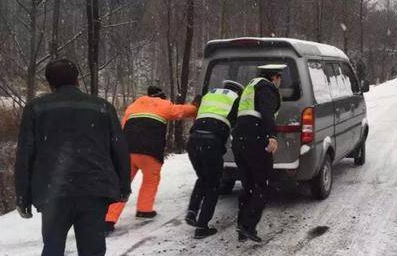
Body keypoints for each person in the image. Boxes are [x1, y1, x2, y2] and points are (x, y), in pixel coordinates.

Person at [14, 59, 131, 256]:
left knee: (52, 249)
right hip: (93, 192)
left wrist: (23, 196)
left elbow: (25, 153)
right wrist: (123, 186)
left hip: (53, 192)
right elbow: (119, 147)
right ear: (78, 79)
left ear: (49, 82)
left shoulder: (37, 109)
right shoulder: (101, 106)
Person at [104, 86, 197, 233]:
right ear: (161, 96)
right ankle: (144, 209)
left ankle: (108, 219)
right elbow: (181, 111)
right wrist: (196, 107)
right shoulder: (163, 104)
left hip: (128, 150)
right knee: (150, 180)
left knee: (122, 184)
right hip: (150, 151)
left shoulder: (133, 105)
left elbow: (123, 127)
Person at [232, 64, 285, 243]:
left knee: (248, 186)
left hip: (240, 141)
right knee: (262, 185)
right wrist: (272, 136)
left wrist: (239, 132)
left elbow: (233, 115)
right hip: (256, 140)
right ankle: (248, 226)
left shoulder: (249, 88)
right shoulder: (267, 88)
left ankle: (242, 227)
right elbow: (267, 113)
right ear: (274, 77)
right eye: (279, 79)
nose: (279, 82)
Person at [185, 80, 244, 239]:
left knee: (203, 178)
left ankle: (192, 211)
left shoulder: (210, 95)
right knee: (213, 185)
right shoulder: (236, 99)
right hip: (211, 143)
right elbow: (238, 125)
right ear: (239, 91)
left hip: (193, 142)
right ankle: (202, 227)